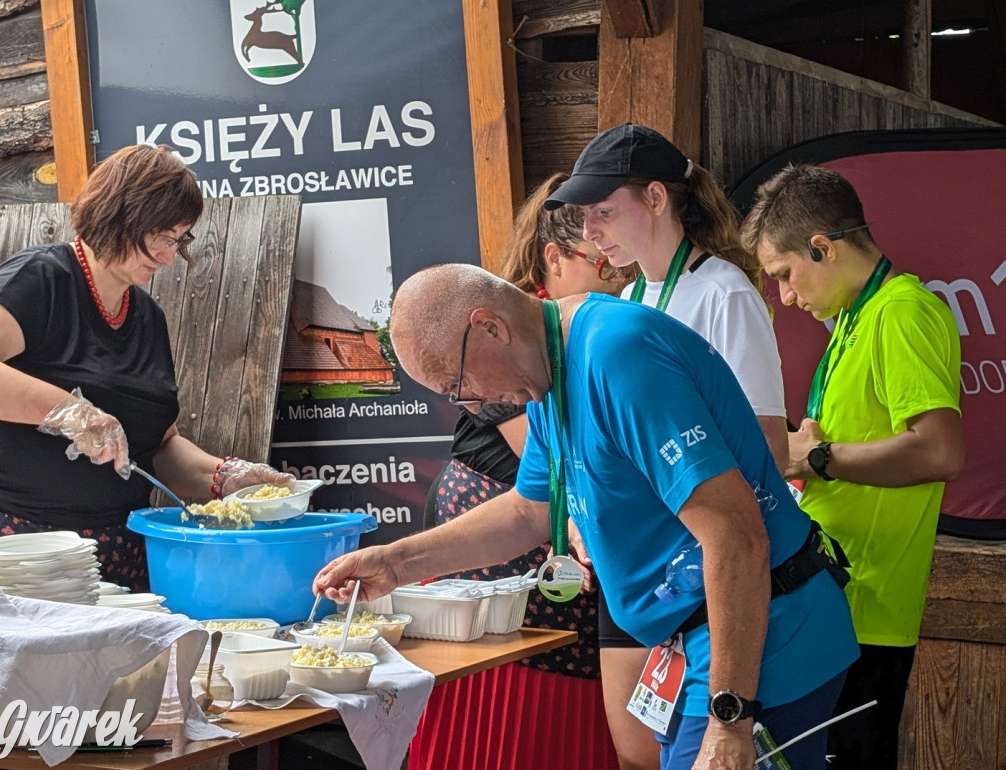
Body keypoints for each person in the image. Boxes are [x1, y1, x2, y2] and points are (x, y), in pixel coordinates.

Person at [317, 263, 859, 770]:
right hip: (696, 641)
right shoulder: (547, 373)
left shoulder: (618, 355)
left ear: (490, 328)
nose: (475, 405)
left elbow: (735, 535)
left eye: (459, 387)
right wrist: (394, 561)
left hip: (763, 638)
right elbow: (529, 511)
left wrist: (730, 719)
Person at [544, 123, 789, 769]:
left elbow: (770, 451)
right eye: (582, 216)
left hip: (711, 575)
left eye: (603, 211)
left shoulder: (725, 293)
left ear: (657, 198)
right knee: (640, 755)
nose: (591, 231)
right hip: (641, 571)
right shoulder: (629, 296)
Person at [0, 143, 292, 591]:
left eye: (178, 240)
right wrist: (69, 410)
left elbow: (156, 448)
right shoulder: (41, 279)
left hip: (122, 559)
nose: (169, 257)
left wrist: (225, 477)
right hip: (23, 557)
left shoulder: (147, 316)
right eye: (161, 237)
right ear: (119, 214)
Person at [740, 164, 965, 770]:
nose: (785, 296)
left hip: (866, 612)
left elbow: (941, 450)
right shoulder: (853, 319)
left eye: (786, 275)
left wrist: (815, 456)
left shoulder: (901, 311)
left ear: (822, 247)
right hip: (834, 603)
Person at [410, 173, 634, 770]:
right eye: (603, 265)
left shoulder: (590, 336)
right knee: (503, 722)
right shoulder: (512, 343)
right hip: (502, 549)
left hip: (541, 544)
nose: (617, 278)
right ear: (555, 259)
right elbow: (557, 471)